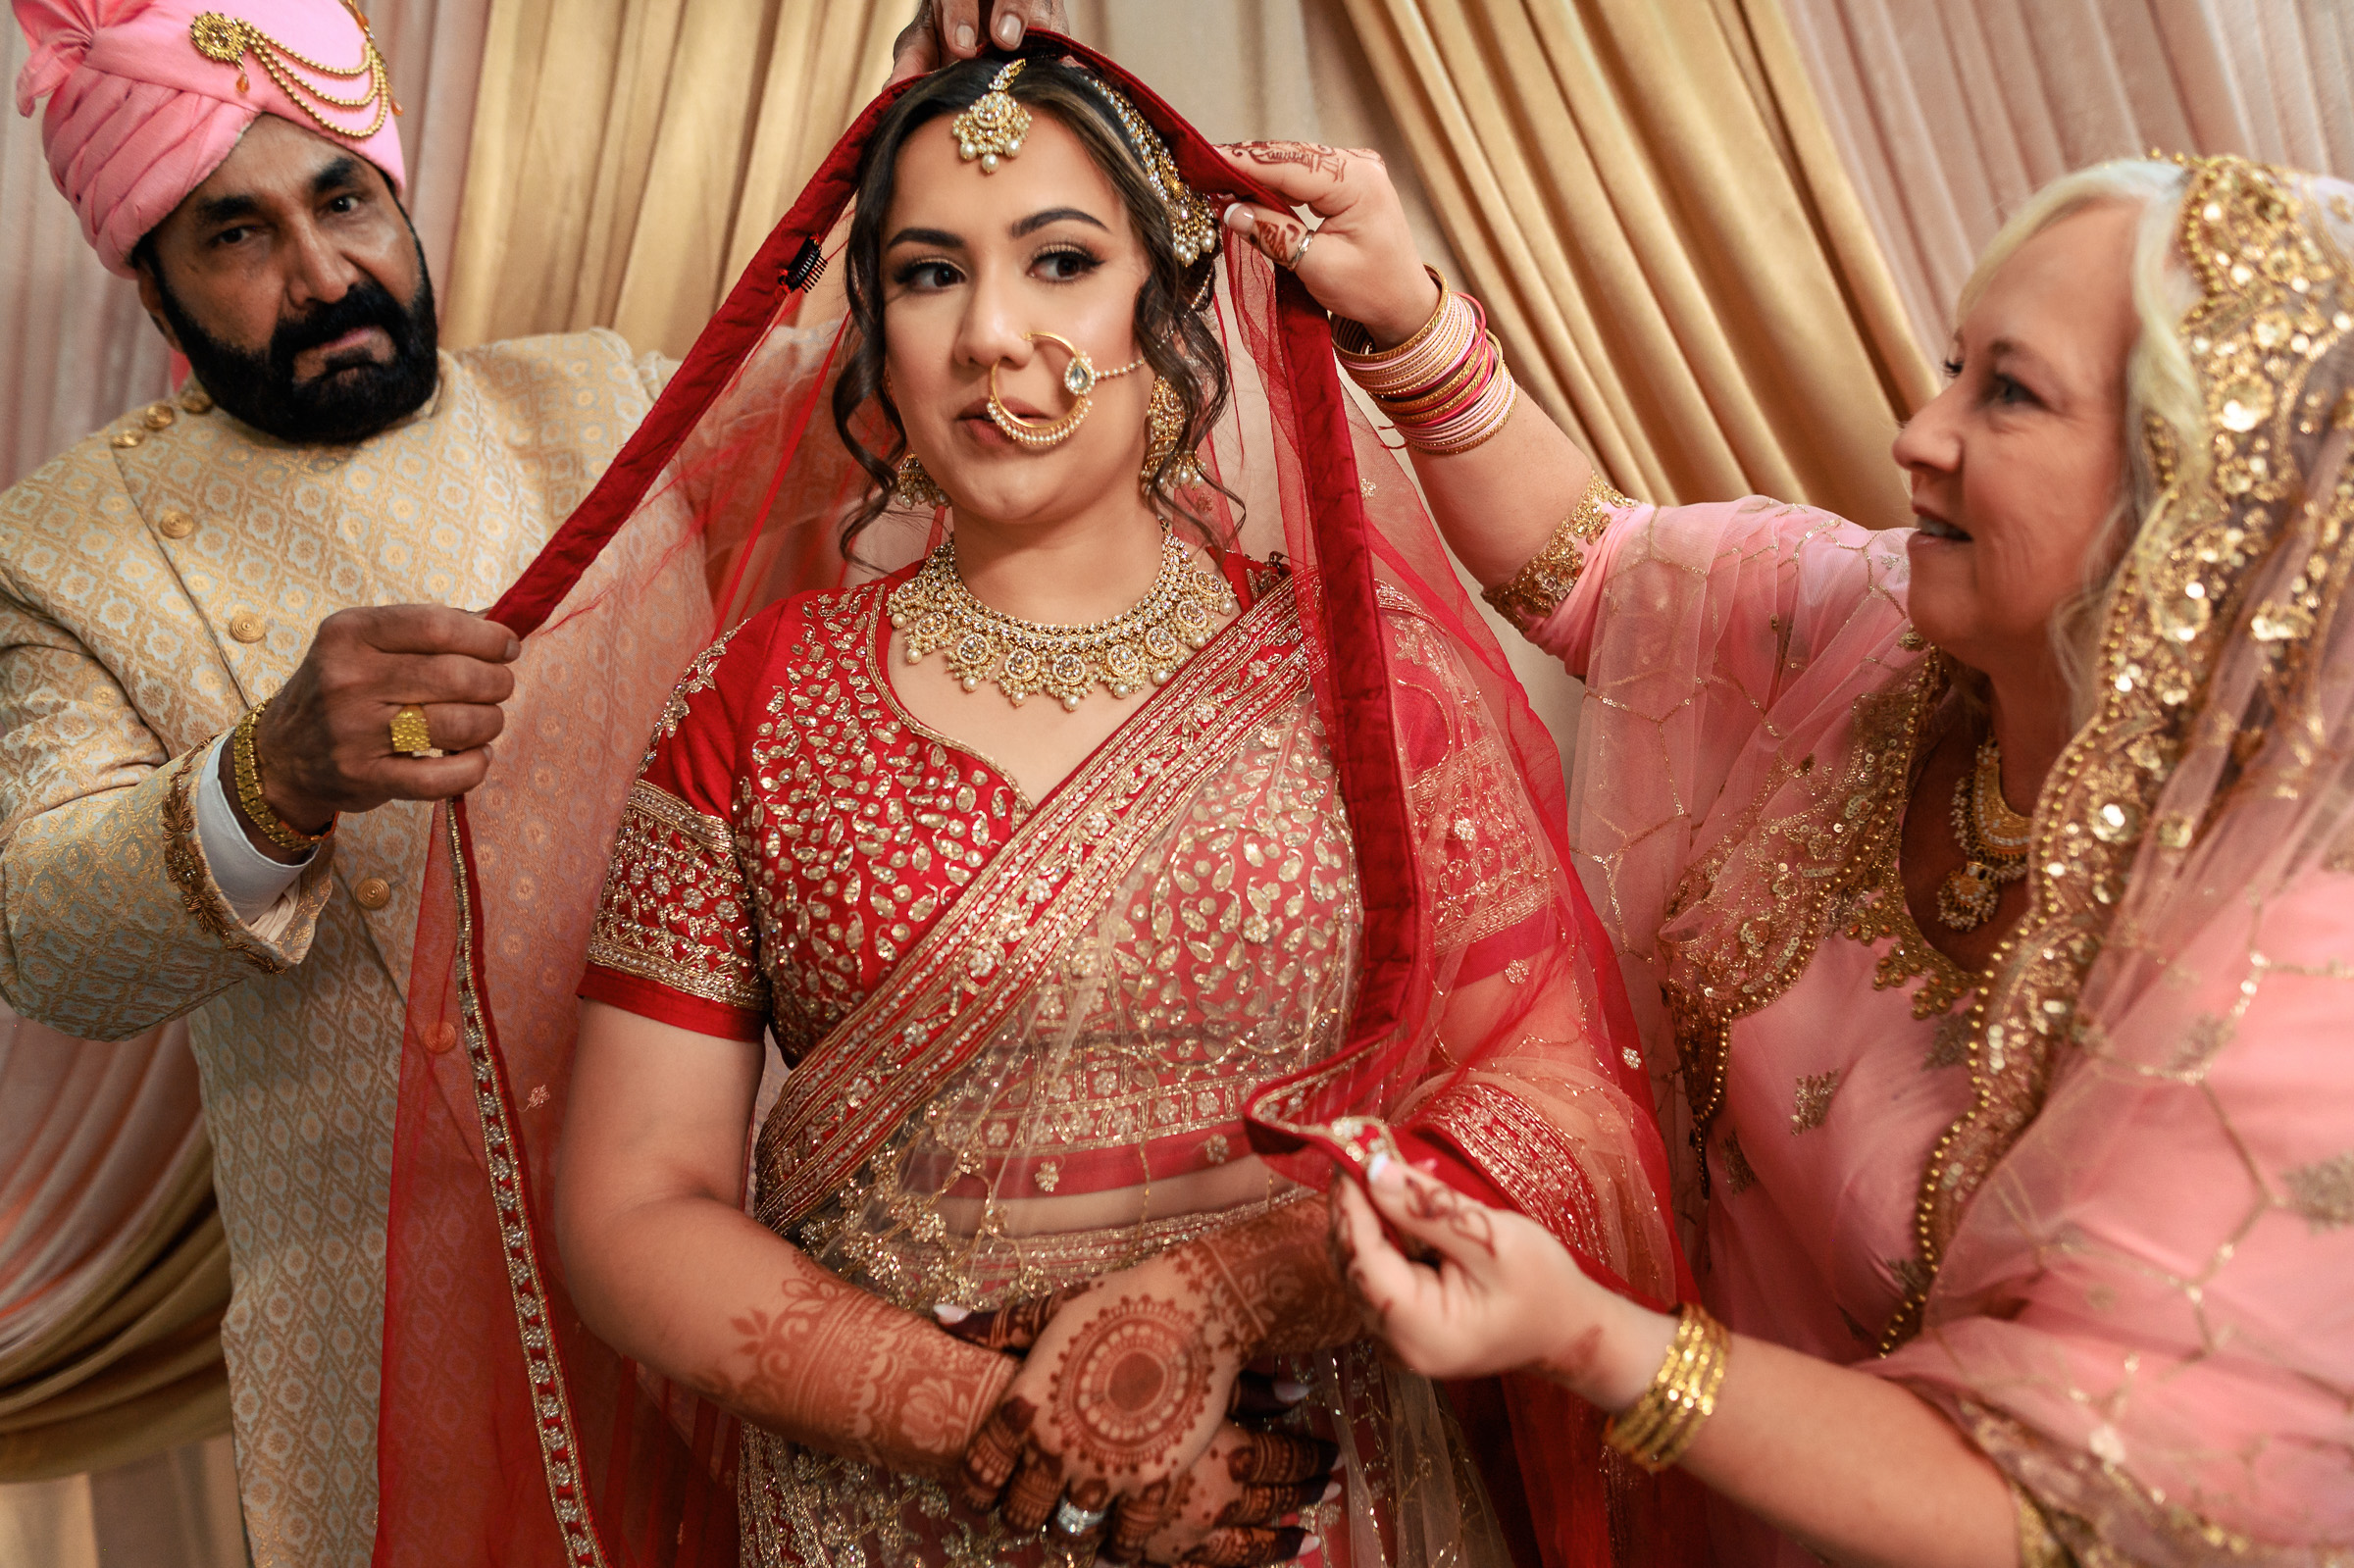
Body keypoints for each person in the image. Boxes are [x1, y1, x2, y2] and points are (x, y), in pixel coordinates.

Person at [369, 39, 1691, 1568]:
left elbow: (1556, 1100)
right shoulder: (756, 705)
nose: (993, 336)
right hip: (889, 1511)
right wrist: (1000, 1421)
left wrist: (1227, 1295)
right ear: (875, 332)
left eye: (1061, 261)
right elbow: (630, 1210)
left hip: (1317, 1504)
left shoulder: (1364, 675)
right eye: (929, 276)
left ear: (1170, 301)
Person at [0, 2, 1060, 1561]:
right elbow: (44, 935)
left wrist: (927, 128)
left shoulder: (602, 401)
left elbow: (876, 425)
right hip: (380, 1342)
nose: (322, 275)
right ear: (148, 270)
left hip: (746, 1257)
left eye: (345, 201)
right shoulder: (63, 549)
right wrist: (271, 775)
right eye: (238, 232)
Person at [1225, 143, 2354, 1563]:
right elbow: (1589, 563)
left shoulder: (2291, 985)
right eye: (1953, 366)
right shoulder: (1873, 634)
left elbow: (2055, 1510)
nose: (1916, 432)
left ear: (2194, 490)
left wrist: (1590, 1337)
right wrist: (1400, 311)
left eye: (2005, 391)